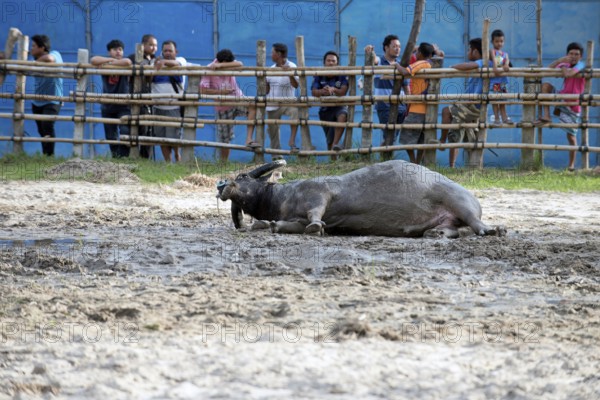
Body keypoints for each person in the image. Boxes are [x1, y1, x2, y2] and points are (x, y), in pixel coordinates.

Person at [440, 38, 492, 168]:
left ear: (475, 51)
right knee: (456, 128)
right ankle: (452, 165)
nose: (468, 52)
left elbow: (467, 66)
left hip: (473, 107)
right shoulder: (479, 66)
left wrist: (453, 67)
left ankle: (442, 140)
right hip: (468, 105)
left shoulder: (482, 63)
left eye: (469, 49)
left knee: (446, 111)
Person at [534, 42, 586, 171]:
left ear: (581, 56)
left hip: (573, 104)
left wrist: (563, 68)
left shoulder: (582, 65)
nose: (574, 56)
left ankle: (571, 166)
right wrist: (560, 61)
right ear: (567, 54)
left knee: (571, 137)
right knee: (545, 86)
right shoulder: (565, 63)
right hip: (562, 98)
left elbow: (569, 74)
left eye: (577, 54)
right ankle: (547, 115)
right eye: (571, 54)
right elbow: (547, 70)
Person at [200, 49, 257, 162]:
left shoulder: (226, 63)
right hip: (223, 107)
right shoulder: (210, 68)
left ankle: (249, 139)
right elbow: (202, 90)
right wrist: (221, 92)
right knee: (224, 140)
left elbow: (240, 64)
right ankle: (223, 164)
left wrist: (221, 66)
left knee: (253, 106)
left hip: (237, 99)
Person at [364, 35, 409, 160]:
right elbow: (374, 59)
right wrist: (370, 51)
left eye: (399, 47)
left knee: (393, 136)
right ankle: (385, 161)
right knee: (388, 135)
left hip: (401, 106)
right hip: (384, 105)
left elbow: (406, 88)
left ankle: (386, 160)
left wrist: (408, 104)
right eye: (394, 46)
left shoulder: (401, 65)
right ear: (386, 47)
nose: (397, 49)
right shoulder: (380, 62)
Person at [91, 39, 133, 158]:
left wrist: (109, 63)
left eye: (120, 49)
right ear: (109, 52)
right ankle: (116, 158)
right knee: (111, 135)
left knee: (125, 131)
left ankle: (124, 157)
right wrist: (111, 60)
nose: (118, 52)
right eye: (115, 50)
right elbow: (93, 60)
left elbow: (128, 62)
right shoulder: (107, 63)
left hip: (124, 104)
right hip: (108, 105)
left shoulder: (121, 64)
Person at [394, 42, 434, 164]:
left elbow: (405, 72)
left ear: (420, 53)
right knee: (422, 138)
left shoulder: (420, 63)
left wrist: (396, 65)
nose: (415, 54)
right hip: (427, 109)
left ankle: (413, 161)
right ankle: (417, 161)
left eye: (417, 52)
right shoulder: (431, 64)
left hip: (417, 108)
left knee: (407, 137)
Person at [151, 40, 186, 163]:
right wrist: (154, 67)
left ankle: (177, 156)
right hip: (158, 107)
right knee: (161, 137)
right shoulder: (154, 63)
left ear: (176, 52)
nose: (167, 53)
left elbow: (176, 63)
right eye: (165, 50)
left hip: (174, 107)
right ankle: (168, 162)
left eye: (170, 50)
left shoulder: (181, 61)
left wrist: (163, 62)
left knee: (174, 137)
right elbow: (148, 78)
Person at [311, 50, 349, 160]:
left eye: (333, 61)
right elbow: (314, 91)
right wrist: (322, 92)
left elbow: (343, 91)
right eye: (328, 61)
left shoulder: (342, 74)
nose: (331, 63)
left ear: (337, 63)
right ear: (324, 63)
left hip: (339, 106)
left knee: (343, 115)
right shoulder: (319, 74)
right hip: (325, 110)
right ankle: (333, 162)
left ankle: (336, 144)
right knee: (329, 139)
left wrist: (334, 90)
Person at [30, 34, 63, 156]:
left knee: (47, 125)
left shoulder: (55, 54)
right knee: (41, 130)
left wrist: (35, 63)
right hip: (37, 101)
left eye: (34, 46)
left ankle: (49, 156)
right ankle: (45, 155)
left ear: (42, 47)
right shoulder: (32, 62)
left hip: (53, 100)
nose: (31, 49)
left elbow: (49, 59)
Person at [265, 43, 299, 155]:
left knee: (296, 112)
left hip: (287, 102)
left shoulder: (292, 66)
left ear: (278, 54)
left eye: (272, 53)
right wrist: (263, 82)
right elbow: (266, 90)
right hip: (272, 103)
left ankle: (292, 141)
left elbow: (296, 85)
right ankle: (276, 155)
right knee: (273, 131)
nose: (271, 55)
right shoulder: (271, 69)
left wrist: (289, 74)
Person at [128, 34, 158, 159]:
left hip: (151, 98)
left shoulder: (156, 60)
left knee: (150, 129)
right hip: (137, 97)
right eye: (151, 45)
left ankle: (146, 157)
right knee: (138, 127)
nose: (153, 48)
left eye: (155, 45)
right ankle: (135, 155)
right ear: (143, 45)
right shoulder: (134, 57)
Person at [489, 29, 514, 126]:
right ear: (492, 42)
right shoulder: (492, 52)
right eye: (497, 41)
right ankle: (496, 118)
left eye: (501, 41)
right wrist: (500, 68)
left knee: (503, 100)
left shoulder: (505, 54)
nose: (499, 43)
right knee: (495, 100)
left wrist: (505, 66)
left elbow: (506, 64)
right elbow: (495, 66)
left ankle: (504, 117)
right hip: (495, 82)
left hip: (502, 81)